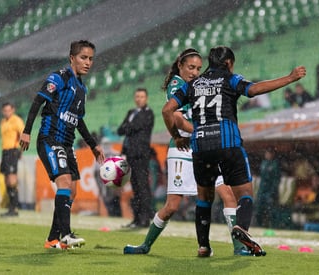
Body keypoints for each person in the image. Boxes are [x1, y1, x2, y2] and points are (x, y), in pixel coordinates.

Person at [162, 46, 306, 257]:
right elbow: (254, 90)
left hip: (201, 146)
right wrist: (290, 78)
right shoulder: (230, 79)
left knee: (204, 198)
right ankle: (242, 228)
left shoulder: (193, 84)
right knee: (245, 194)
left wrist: (176, 136)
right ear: (229, 63)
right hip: (227, 143)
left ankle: (203, 247)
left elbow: (167, 110)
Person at [123, 48, 249, 256]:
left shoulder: (197, 86)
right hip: (182, 149)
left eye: (199, 68)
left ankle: (238, 247)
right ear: (180, 66)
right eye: (191, 67)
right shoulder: (177, 84)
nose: (194, 72)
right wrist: (206, 130)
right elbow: (178, 118)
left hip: (204, 147)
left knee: (227, 194)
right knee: (172, 206)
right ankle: (145, 245)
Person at [19, 40, 105, 249]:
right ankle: (66, 235)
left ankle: (52, 239)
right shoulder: (59, 77)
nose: (87, 62)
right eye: (83, 57)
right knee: (64, 182)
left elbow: (79, 121)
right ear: (72, 58)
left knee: (72, 191)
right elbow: (38, 101)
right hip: (49, 138)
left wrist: (93, 145)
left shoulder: (81, 88)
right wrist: (27, 131)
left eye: (91, 59)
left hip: (67, 143)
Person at [117, 88, 154, 228]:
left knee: (142, 186)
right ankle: (137, 219)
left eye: (142, 96)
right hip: (130, 155)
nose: (139, 99)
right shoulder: (131, 112)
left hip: (141, 155)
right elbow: (121, 130)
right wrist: (129, 127)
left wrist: (128, 126)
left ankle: (145, 219)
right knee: (135, 187)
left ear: (146, 98)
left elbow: (133, 127)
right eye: (137, 96)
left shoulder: (148, 113)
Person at [0, 102, 24, 216]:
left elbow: (23, 135)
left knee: (12, 179)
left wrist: (20, 151)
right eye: (5, 111)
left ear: (13, 110)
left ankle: (15, 207)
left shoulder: (16, 120)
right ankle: (11, 207)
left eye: (8, 110)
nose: (6, 112)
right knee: (6, 180)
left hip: (13, 151)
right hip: (4, 152)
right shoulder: (3, 122)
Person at [255, 147, 281, 228]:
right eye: (266, 153)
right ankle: (260, 225)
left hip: (270, 191)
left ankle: (272, 226)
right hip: (262, 190)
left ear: (272, 154)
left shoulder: (275, 164)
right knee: (258, 209)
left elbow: (276, 179)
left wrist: (273, 191)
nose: (267, 155)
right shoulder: (263, 163)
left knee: (271, 210)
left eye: (269, 153)